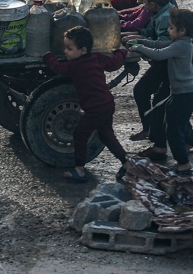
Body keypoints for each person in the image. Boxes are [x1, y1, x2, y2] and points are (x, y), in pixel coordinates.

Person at [41, 27, 130, 182]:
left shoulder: (74, 65)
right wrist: (121, 52)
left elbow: (58, 68)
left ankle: (79, 169)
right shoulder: (97, 57)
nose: (65, 52)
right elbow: (114, 64)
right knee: (106, 134)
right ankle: (127, 163)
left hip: (96, 108)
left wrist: (47, 56)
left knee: (80, 134)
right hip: (107, 103)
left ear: (82, 50)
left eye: (69, 48)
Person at [130, 8, 193, 174]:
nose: (168, 31)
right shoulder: (180, 43)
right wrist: (140, 41)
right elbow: (157, 45)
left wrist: (138, 48)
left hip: (184, 95)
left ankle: (184, 164)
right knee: (175, 126)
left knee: (173, 130)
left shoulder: (182, 46)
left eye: (171, 28)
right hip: (180, 94)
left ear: (182, 30)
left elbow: (158, 54)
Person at [122, 0, 175, 149]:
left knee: (149, 95)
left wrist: (141, 43)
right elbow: (149, 31)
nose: (143, 5)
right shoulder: (160, 14)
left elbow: (164, 44)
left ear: (152, 3)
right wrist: (137, 35)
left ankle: (156, 137)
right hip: (163, 63)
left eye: (145, 2)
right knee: (154, 98)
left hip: (167, 65)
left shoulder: (166, 18)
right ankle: (153, 133)